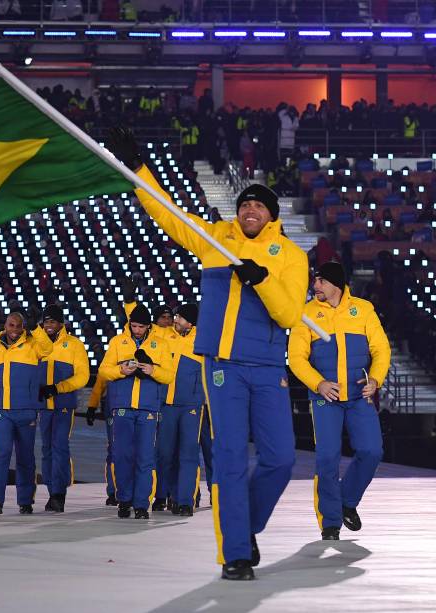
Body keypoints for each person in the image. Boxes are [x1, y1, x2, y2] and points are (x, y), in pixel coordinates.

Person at [107, 128, 309, 580]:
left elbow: (291, 312)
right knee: (231, 455)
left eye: (258, 204)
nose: (249, 209)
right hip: (222, 368)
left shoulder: (291, 256)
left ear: (272, 215)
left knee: (280, 459)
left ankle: (247, 525)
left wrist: (262, 279)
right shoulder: (215, 240)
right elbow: (169, 214)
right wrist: (139, 170)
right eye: (244, 204)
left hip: (268, 367)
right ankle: (235, 552)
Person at [288, 262, 390, 540]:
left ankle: (347, 502)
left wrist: (375, 380)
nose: (315, 286)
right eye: (314, 281)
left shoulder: (363, 309)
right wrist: (317, 383)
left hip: (360, 396)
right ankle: (330, 521)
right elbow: (296, 357)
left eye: (320, 281)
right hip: (325, 398)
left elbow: (381, 349)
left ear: (336, 283)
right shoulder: (306, 313)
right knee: (327, 458)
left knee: (372, 451)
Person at [98, 303, 172, 519]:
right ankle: (124, 500)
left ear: (148, 326)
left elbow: (169, 375)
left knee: (145, 458)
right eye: (134, 326)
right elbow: (103, 370)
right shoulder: (117, 342)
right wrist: (121, 370)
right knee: (122, 456)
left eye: (141, 327)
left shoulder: (161, 344)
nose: (136, 330)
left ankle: (141, 504)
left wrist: (153, 370)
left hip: (148, 408)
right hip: (122, 407)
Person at [0, 310, 53, 515]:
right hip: (2, 411)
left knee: (25, 457)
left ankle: (26, 500)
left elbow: (48, 348)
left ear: (24, 327)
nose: (14, 330)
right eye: (11, 325)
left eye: (19, 326)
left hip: (27, 411)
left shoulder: (33, 346)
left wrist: (36, 329)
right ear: (5, 325)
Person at [152, 303, 205, 517]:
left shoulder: (202, 338)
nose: (175, 320)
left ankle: (184, 501)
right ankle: (162, 495)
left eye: (180, 318)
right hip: (167, 405)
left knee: (188, 454)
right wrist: (129, 302)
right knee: (164, 454)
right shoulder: (164, 335)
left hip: (191, 406)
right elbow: (141, 322)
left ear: (191, 322)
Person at [38, 304, 90, 513]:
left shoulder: (74, 345)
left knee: (59, 447)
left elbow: (83, 376)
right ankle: (52, 491)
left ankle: (59, 493)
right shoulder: (36, 344)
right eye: (46, 321)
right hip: (43, 405)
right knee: (46, 450)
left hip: (62, 406)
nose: (48, 325)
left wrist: (59, 388)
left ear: (61, 323)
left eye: (52, 321)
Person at [86, 373, 117, 506]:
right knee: (114, 452)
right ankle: (114, 491)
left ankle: (129, 491)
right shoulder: (113, 356)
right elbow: (100, 383)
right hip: (114, 411)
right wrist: (92, 406)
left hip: (139, 411)